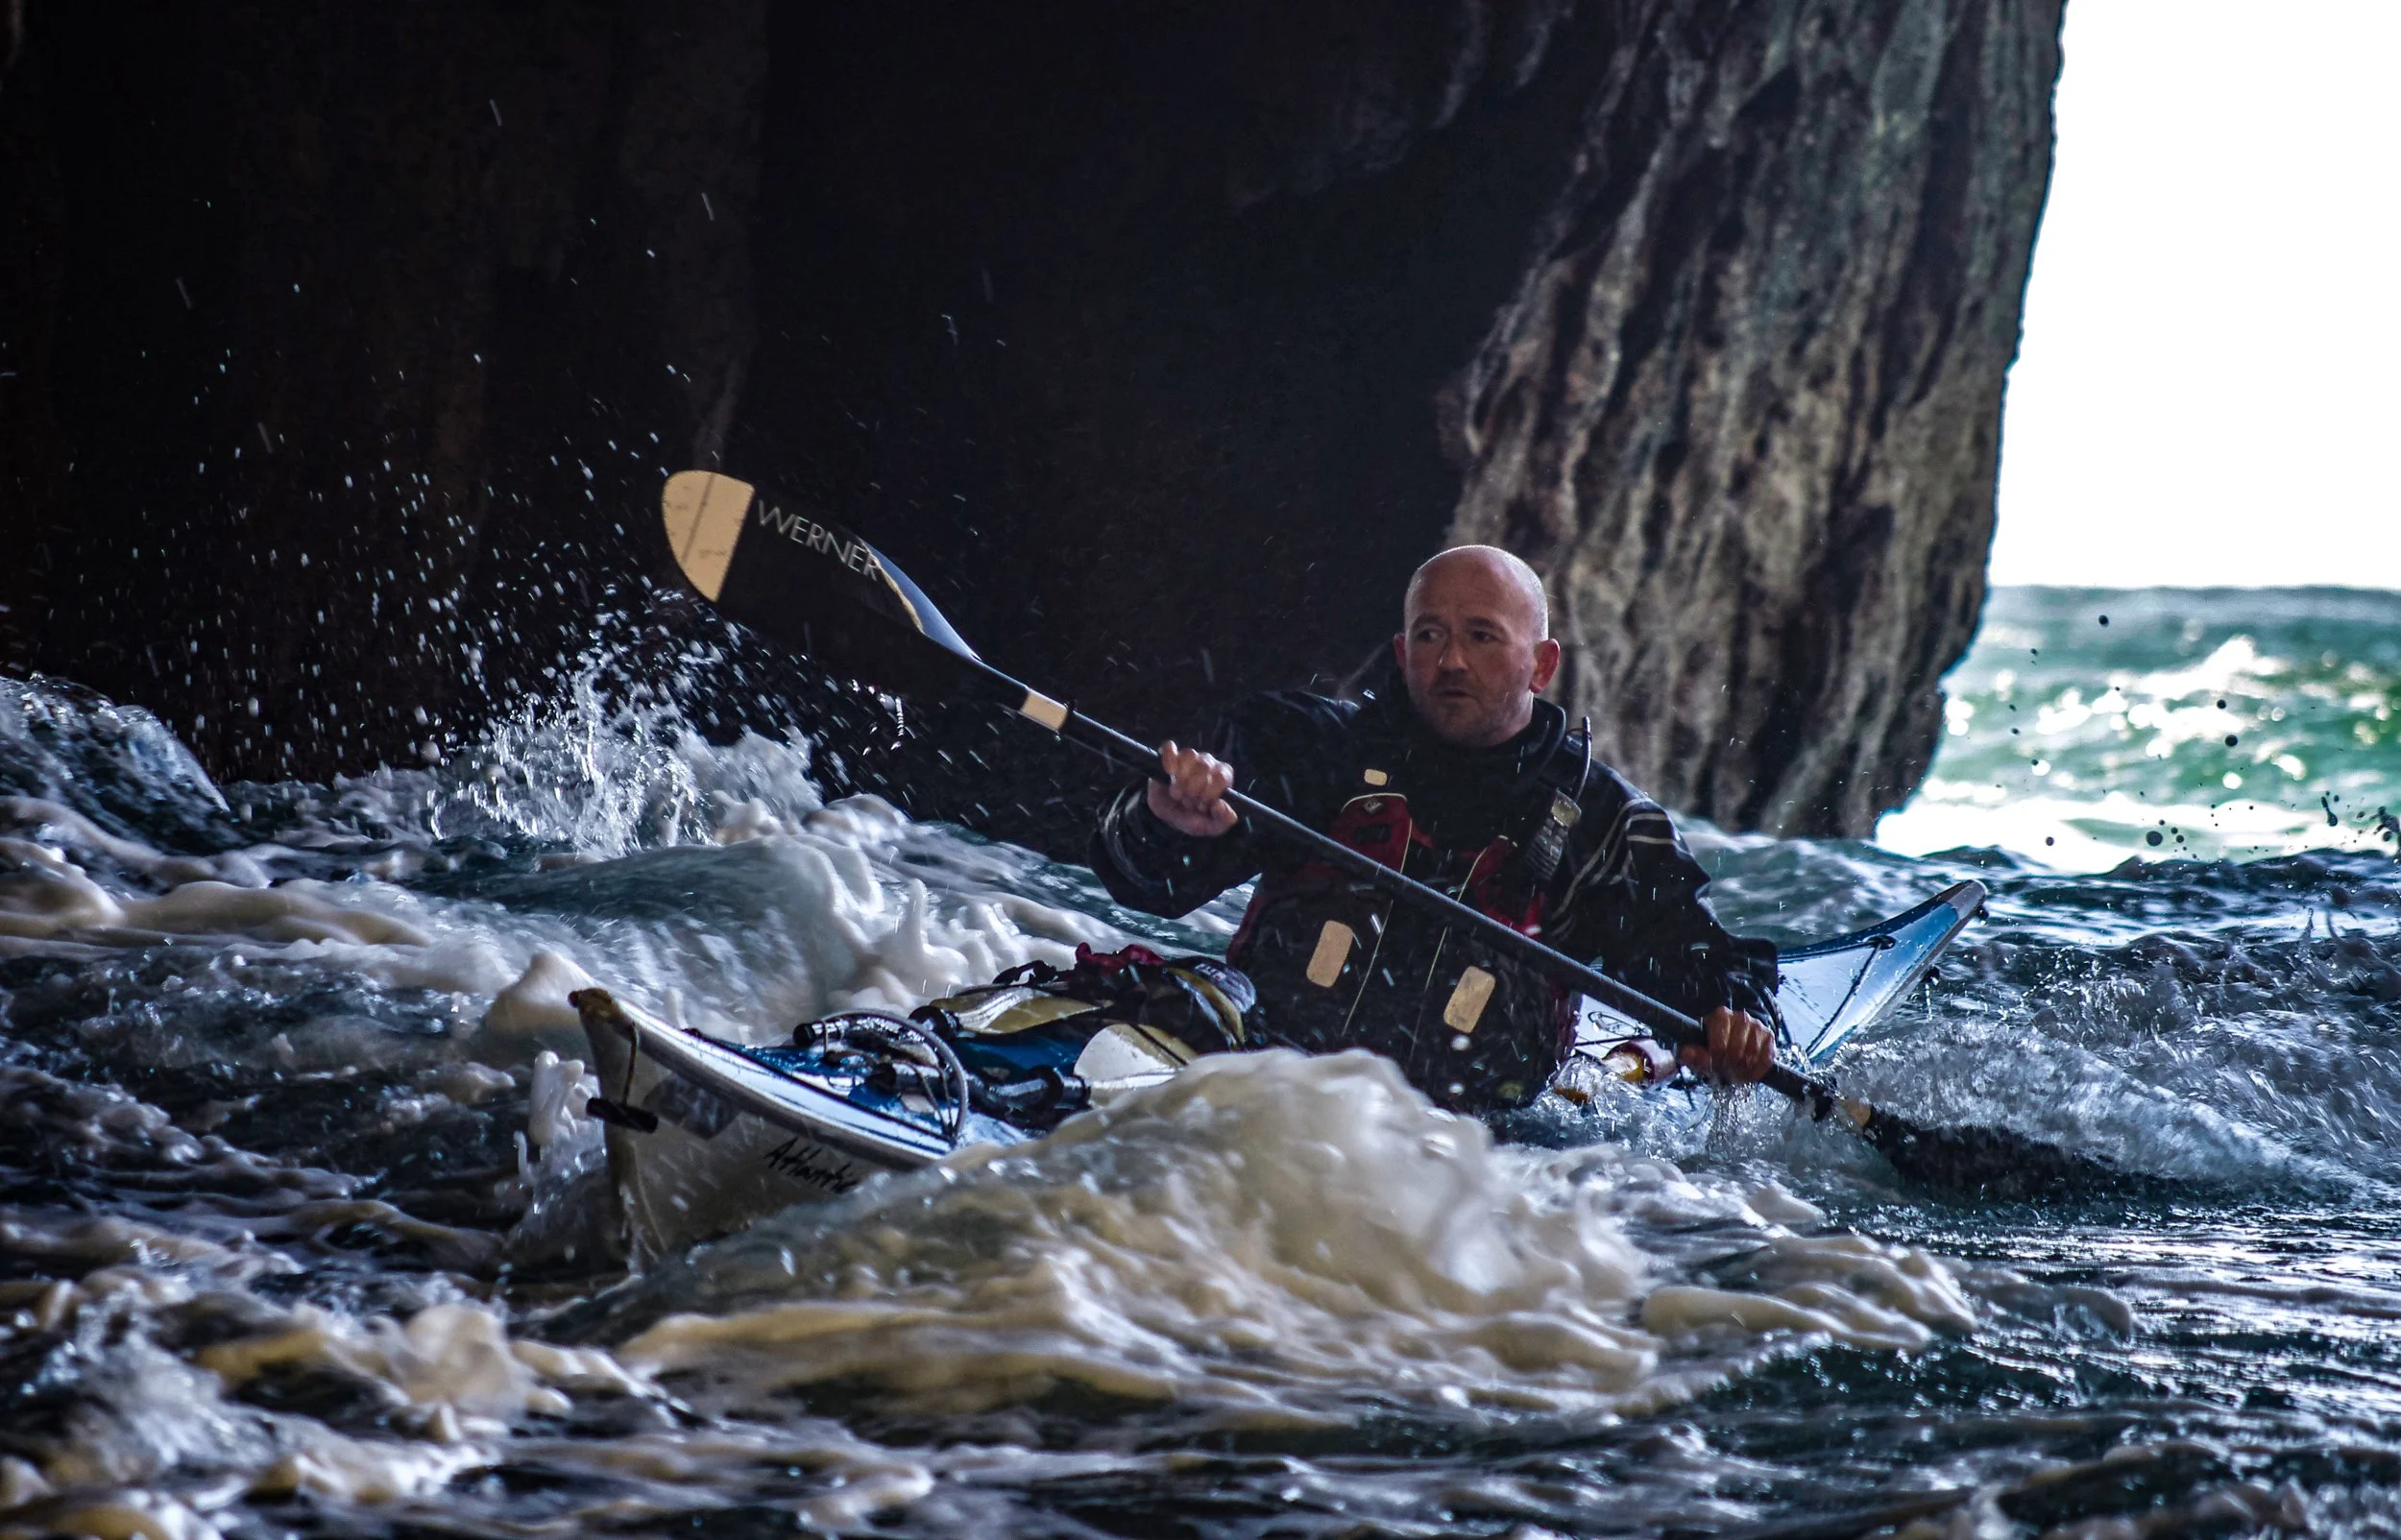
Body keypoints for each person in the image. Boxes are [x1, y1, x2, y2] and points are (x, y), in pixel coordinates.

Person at [1088, 545, 1780, 1114]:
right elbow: (1145, 880)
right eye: (1430, 635)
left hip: (1469, 1162)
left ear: (1541, 665)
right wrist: (1164, 822)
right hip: (1258, 1102)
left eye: (1481, 636)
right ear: (1400, 652)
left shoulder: (1603, 826)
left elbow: (1704, 967)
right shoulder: (1306, 747)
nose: (1451, 660)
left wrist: (1735, 1021)